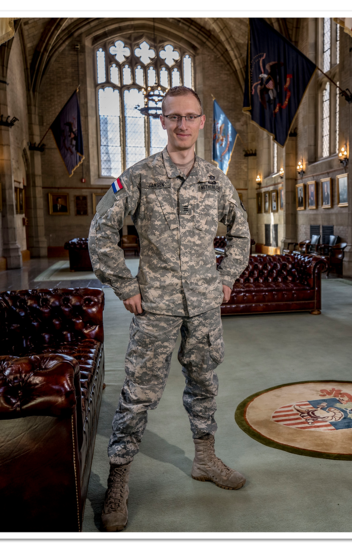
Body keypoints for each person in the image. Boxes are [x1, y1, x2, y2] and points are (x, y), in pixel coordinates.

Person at [89, 86, 250, 532]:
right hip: (154, 307)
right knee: (138, 395)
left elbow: (241, 232)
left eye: (190, 117)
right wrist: (124, 284)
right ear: (162, 121)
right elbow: (99, 233)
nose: (182, 124)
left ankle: (204, 458)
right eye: (174, 117)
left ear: (201, 123)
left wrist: (226, 277)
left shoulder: (216, 179)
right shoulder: (138, 177)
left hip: (203, 307)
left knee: (205, 384)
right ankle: (119, 479)